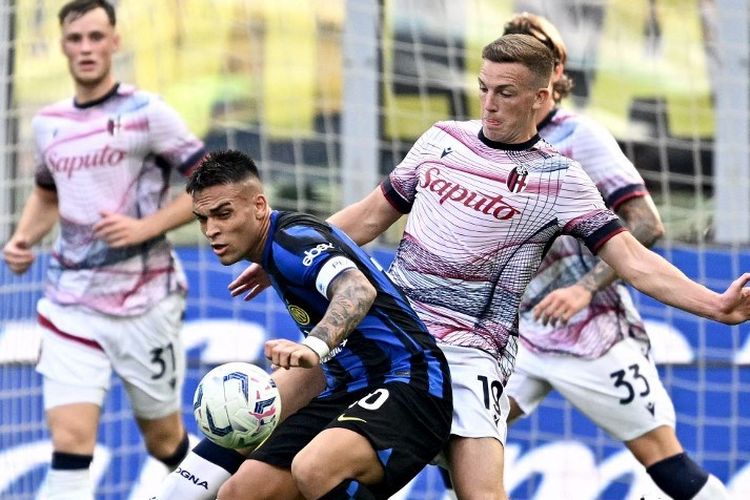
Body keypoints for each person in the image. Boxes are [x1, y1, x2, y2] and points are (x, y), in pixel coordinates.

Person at [176, 35, 750, 500]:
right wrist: (282, 251)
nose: (490, 104)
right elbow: (373, 214)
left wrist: (717, 305)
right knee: (252, 456)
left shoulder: (560, 180)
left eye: (506, 92)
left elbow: (634, 259)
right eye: (483, 89)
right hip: (394, 328)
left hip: (472, 352)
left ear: (541, 97)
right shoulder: (441, 142)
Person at [499, 13, 730, 500]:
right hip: (518, 336)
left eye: (532, 54)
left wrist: (584, 288)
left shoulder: (580, 138)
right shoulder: (487, 143)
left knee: (668, 467)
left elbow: (645, 223)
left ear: (556, 70)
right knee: (450, 441)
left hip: (592, 333)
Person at [1, 1, 205, 498]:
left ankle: (218, 487)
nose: (86, 48)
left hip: (145, 300)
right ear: (63, 45)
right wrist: (23, 238)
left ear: (115, 42)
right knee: (70, 442)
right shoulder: (48, 123)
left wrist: (145, 227)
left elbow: (212, 181)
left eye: (96, 37)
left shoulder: (147, 113)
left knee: (163, 440)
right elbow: (49, 194)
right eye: (76, 39)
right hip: (70, 302)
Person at [185, 149, 452, 500]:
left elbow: (357, 289)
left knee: (314, 467)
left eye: (223, 214)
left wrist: (314, 347)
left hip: (411, 383)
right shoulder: (276, 250)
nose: (212, 230)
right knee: (241, 493)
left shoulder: (290, 242)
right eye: (203, 219)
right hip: (350, 388)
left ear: (260, 206)